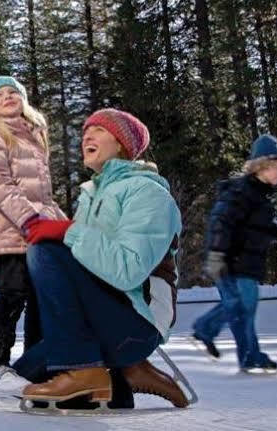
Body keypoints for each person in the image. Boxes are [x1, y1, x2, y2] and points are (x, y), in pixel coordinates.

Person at [17, 108, 188, 409]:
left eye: (98, 130)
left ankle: (87, 368)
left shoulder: (148, 193)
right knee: (21, 380)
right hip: (100, 323)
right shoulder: (91, 197)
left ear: (121, 142)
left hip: (137, 325)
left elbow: (127, 271)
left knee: (45, 252)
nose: (87, 137)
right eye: (84, 132)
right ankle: (122, 377)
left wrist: (68, 232)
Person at [0, 76, 65, 394]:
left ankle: (38, 367)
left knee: (40, 300)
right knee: (14, 292)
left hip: (34, 232)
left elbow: (43, 198)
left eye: (13, 92)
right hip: (8, 231)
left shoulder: (32, 138)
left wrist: (67, 225)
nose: (7, 97)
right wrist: (30, 220)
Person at [192, 134, 277, 374]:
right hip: (229, 261)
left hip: (246, 263)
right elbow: (220, 221)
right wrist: (216, 255)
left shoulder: (260, 195)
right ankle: (205, 329)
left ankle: (250, 356)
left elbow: (262, 228)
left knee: (245, 309)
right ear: (261, 165)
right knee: (239, 305)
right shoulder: (242, 191)